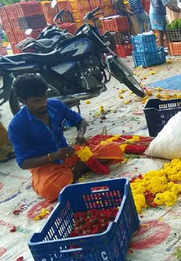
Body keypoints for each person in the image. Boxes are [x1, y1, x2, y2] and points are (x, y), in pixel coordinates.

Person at [7, 74, 122, 203]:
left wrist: (80, 135)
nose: (44, 103)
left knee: (113, 149)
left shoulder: (55, 105)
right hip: (46, 166)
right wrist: (52, 156)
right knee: (49, 189)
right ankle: (78, 169)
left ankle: (74, 171)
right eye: (37, 101)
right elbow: (23, 163)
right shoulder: (17, 125)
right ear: (23, 101)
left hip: (69, 155)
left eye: (45, 97)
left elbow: (81, 122)